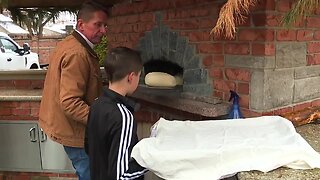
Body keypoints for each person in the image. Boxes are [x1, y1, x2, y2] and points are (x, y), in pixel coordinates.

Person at [38, 2, 109, 179]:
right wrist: (101, 120)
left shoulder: (70, 44)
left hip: (70, 128)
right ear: (80, 25)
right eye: (98, 25)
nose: (103, 31)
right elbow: (70, 102)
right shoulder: (77, 54)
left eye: (105, 25)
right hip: (76, 133)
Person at [85, 47, 148, 180]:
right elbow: (121, 175)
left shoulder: (96, 104)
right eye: (138, 75)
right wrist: (151, 161)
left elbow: (88, 148)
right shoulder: (123, 116)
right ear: (131, 77)